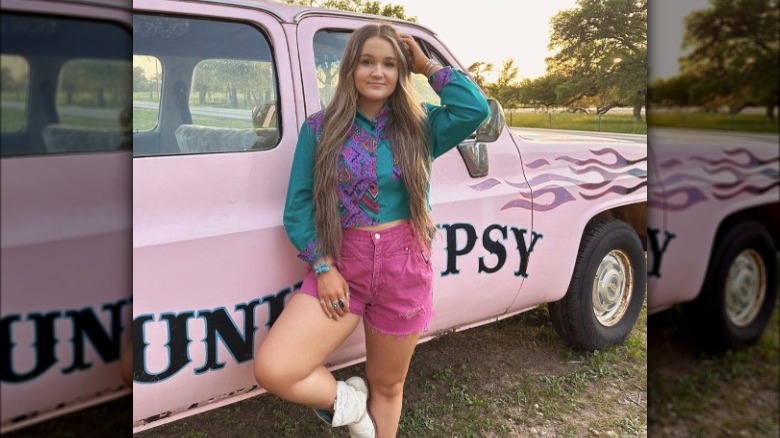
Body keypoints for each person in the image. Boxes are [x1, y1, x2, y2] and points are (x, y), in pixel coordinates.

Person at [253, 22, 489, 438]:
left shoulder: (420, 125)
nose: (377, 72)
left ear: (401, 72)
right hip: (344, 266)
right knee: (276, 367)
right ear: (350, 69)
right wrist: (323, 268)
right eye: (367, 62)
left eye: (389, 64)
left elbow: (475, 109)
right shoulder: (319, 128)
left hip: (404, 267)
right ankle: (350, 406)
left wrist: (426, 64)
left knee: (388, 384)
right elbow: (299, 205)